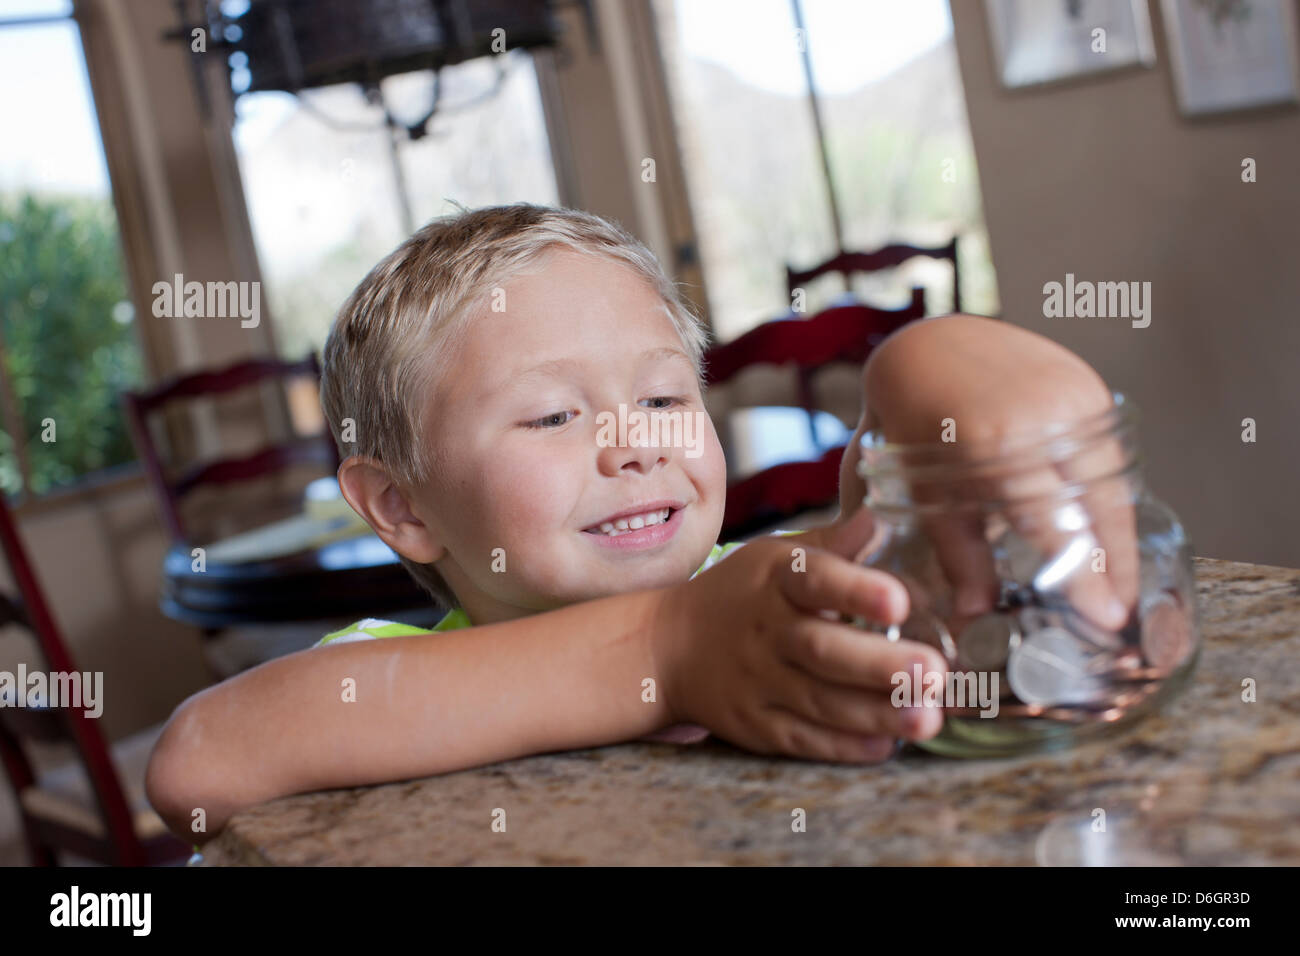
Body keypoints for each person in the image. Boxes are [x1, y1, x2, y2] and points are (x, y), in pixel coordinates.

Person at [145, 204, 1129, 844]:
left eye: (663, 398)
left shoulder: (764, 591)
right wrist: (666, 645)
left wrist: (933, 363)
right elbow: (197, 763)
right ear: (402, 506)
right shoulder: (390, 670)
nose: (633, 444)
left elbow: (931, 562)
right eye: (552, 415)